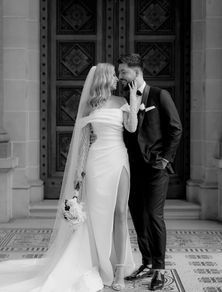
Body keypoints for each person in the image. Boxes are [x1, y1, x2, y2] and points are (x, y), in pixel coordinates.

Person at [0, 63, 139, 291]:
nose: (117, 79)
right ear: (104, 78)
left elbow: (132, 128)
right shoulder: (89, 106)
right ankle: (97, 261)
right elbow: (84, 141)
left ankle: (119, 271)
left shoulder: (122, 102)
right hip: (96, 161)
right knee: (96, 215)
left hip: (118, 158)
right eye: (113, 75)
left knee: (121, 212)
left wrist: (133, 99)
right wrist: (79, 172)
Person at [117, 53, 182, 291]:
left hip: (156, 167)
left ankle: (159, 269)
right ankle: (146, 262)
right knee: (138, 215)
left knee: (154, 216)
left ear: (137, 72)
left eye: (124, 72)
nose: (120, 77)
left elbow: (176, 129)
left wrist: (165, 159)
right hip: (132, 167)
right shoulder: (124, 97)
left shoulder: (159, 95)